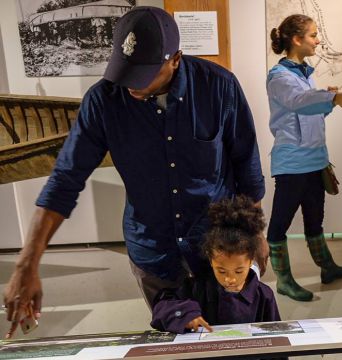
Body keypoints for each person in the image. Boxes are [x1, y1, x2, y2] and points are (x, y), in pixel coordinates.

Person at [3, 6, 268, 338]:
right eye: (125, 71)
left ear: (176, 59)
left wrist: (256, 235)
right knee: (177, 336)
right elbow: (65, 180)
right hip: (154, 252)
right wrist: (28, 262)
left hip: (217, 249)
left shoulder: (218, 87)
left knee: (230, 337)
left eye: (144, 74)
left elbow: (247, 164)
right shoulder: (103, 100)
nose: (131, 85)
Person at [266, 14, 342, 302]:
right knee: (280, 223)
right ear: (296, 40)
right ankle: (284, 280)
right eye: (314, 35)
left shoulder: (306, 72)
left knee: (315, 219)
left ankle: (327, 267)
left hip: (316, 158)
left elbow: (311, 110)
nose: (318, 40)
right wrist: (332, 97)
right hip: (292, 162)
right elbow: (297, 102)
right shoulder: (279, 76)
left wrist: (327, 100)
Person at [150, 195, 280, 333]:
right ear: (211, 260)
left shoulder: (264, 295)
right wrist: (184, 315)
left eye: (239, 271)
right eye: (222, 271)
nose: (230, 279)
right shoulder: (197, 288)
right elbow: (161, 308)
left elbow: (276, 338)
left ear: (250, 261)